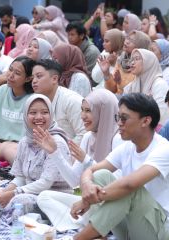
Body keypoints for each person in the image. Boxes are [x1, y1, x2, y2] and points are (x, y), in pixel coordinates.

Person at [70, 92, 169, 240]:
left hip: (163, 233)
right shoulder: (127, 147)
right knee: (101, 176)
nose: (119, 123)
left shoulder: (164, 150)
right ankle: (98, 234)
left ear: (145, 121)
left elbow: (129, 185)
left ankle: (80, 238)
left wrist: (88, 200)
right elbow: (91, 170)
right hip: (132, 229)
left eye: (124, 118)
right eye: (118, 117)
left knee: (129, 190)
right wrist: (86, 188)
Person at [35, 89, 122, 232]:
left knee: (89, 204)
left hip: (110, 203)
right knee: (44, 197)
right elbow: (75, 183)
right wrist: (55, 153)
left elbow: (116, 182)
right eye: (82, 110)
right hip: (87, 199)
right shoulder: (88, 137)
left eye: (89, 111)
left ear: (103, 111)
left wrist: (87, 161)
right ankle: (78, 225)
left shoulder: (119, 138)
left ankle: (84, 225)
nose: (83, 116)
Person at [0, 94, 72, 212]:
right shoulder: (25, 142)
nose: (39, 117)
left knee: (19, 201)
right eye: (33, 113)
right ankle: (2, 210)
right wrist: (5, 192)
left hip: (51, 196)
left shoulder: (57, 142)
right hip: (27, 192)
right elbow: (20, 178)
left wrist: (13, 194)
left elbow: (46, 183)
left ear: (51, 115)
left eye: (44, 112)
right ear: (25, 115)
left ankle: (0, 211)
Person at [32, 59, 86, 145]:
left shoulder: (72, 100)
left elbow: (84, 134)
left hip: (69, 154)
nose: (34, 81)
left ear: (54, 79)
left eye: (39, 76)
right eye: (32, 77)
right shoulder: (36, 100)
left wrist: (61, 152)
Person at [123, 48, 169, 126]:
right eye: (131, 60)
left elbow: (161, 114)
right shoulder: (131, 86)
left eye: (136, 59)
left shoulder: (160, 84)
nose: (132, 63)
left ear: (148, 62)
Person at [98, 30, 151, 95]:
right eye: (128, 38)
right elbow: (112, 90)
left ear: (140, 47)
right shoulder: (121, 59)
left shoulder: (142, 67)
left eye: (132, 41)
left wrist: (120, 83)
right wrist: (106, 74)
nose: (127, 42)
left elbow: (135, 95)